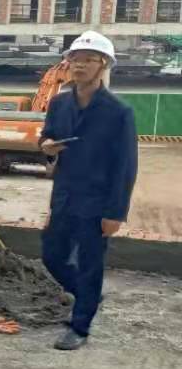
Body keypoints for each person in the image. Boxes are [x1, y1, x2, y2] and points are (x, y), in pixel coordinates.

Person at [40, 31, 138, 351]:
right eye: (74, 59)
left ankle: (80, 326)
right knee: (52, 255)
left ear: (104, 64)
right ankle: (88, 295)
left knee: (89, 264)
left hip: (97, 202)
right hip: (65, 196)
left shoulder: (118, 112)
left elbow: (125, 166)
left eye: (88, 60)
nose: (79, 65)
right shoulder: (59, 103)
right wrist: (47, 146)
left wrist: (116, 213)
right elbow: (46, 137)